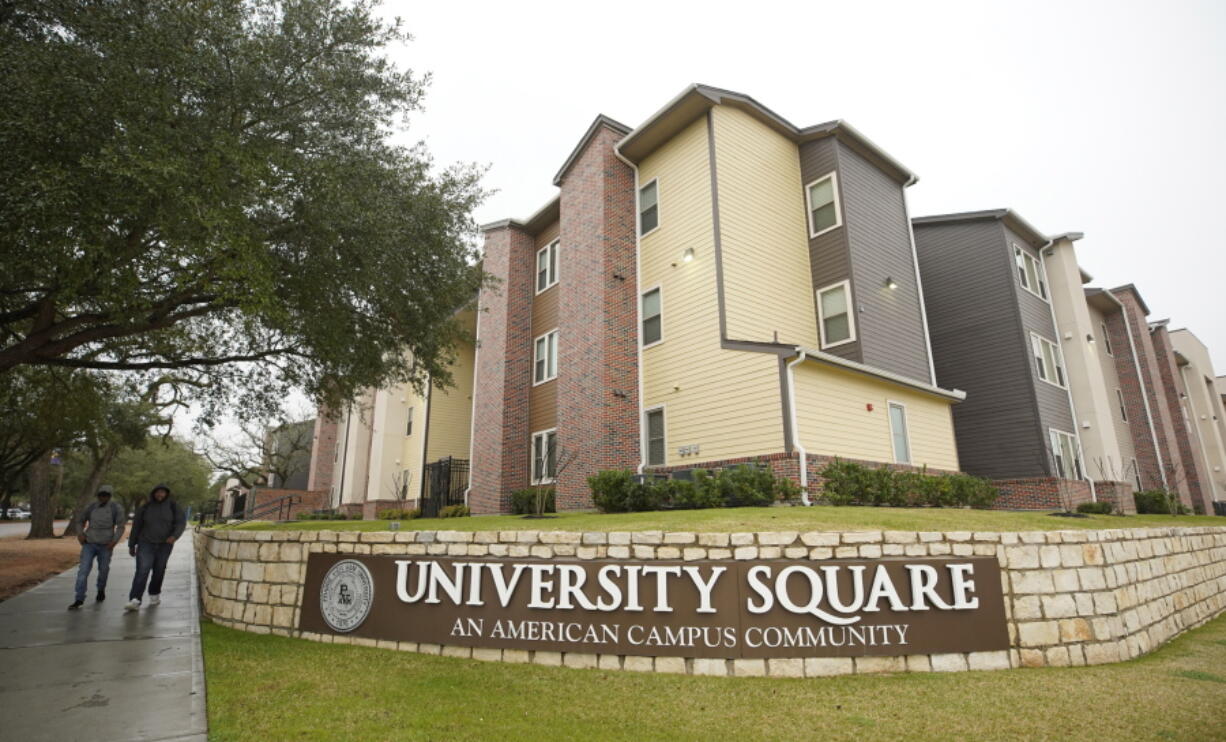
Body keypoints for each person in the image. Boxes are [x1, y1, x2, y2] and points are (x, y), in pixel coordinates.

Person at [124, 483, 186, 612]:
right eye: (158, 492)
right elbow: (136, 527)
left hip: (165, 545)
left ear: (167, 494)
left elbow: (180, 523)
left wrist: (174, 536)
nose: (160, 494)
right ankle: (135, 599)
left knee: (159, 570)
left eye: (163, 492)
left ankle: (154, 593)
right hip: (145, 543)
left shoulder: (173, 506)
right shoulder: (145, 507)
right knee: (142, 570)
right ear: (153, 493)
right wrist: (131, 544)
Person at [68, 485, 126, 609]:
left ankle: (101, 589)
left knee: (103, 570)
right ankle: (79, 598)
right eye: (101, 495)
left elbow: (121, 526)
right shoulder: (91, 506)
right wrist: (80, 534)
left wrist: (114, 541)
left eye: (106, 495)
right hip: (89, 543)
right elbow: (79, 521)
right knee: (83, 571)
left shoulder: (116, 508)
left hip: (106, 545)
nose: (103, 497)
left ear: (110, 496)